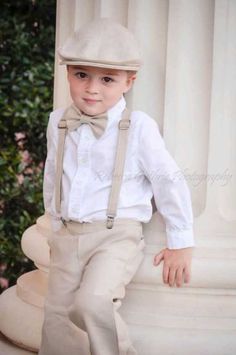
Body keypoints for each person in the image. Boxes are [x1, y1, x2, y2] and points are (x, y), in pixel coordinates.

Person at [39, 18, 194, 355]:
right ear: (68, 74)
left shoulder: (137, 127)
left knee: (93, 303)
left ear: (129, 81)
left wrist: (180, 240)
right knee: (56, 319)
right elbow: (53, 174)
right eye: (82, 75)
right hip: (67, 234)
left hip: (115, 236)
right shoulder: (59, 121)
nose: (92, 89)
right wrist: (54, 222)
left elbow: (168, 179)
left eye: (107, 79)